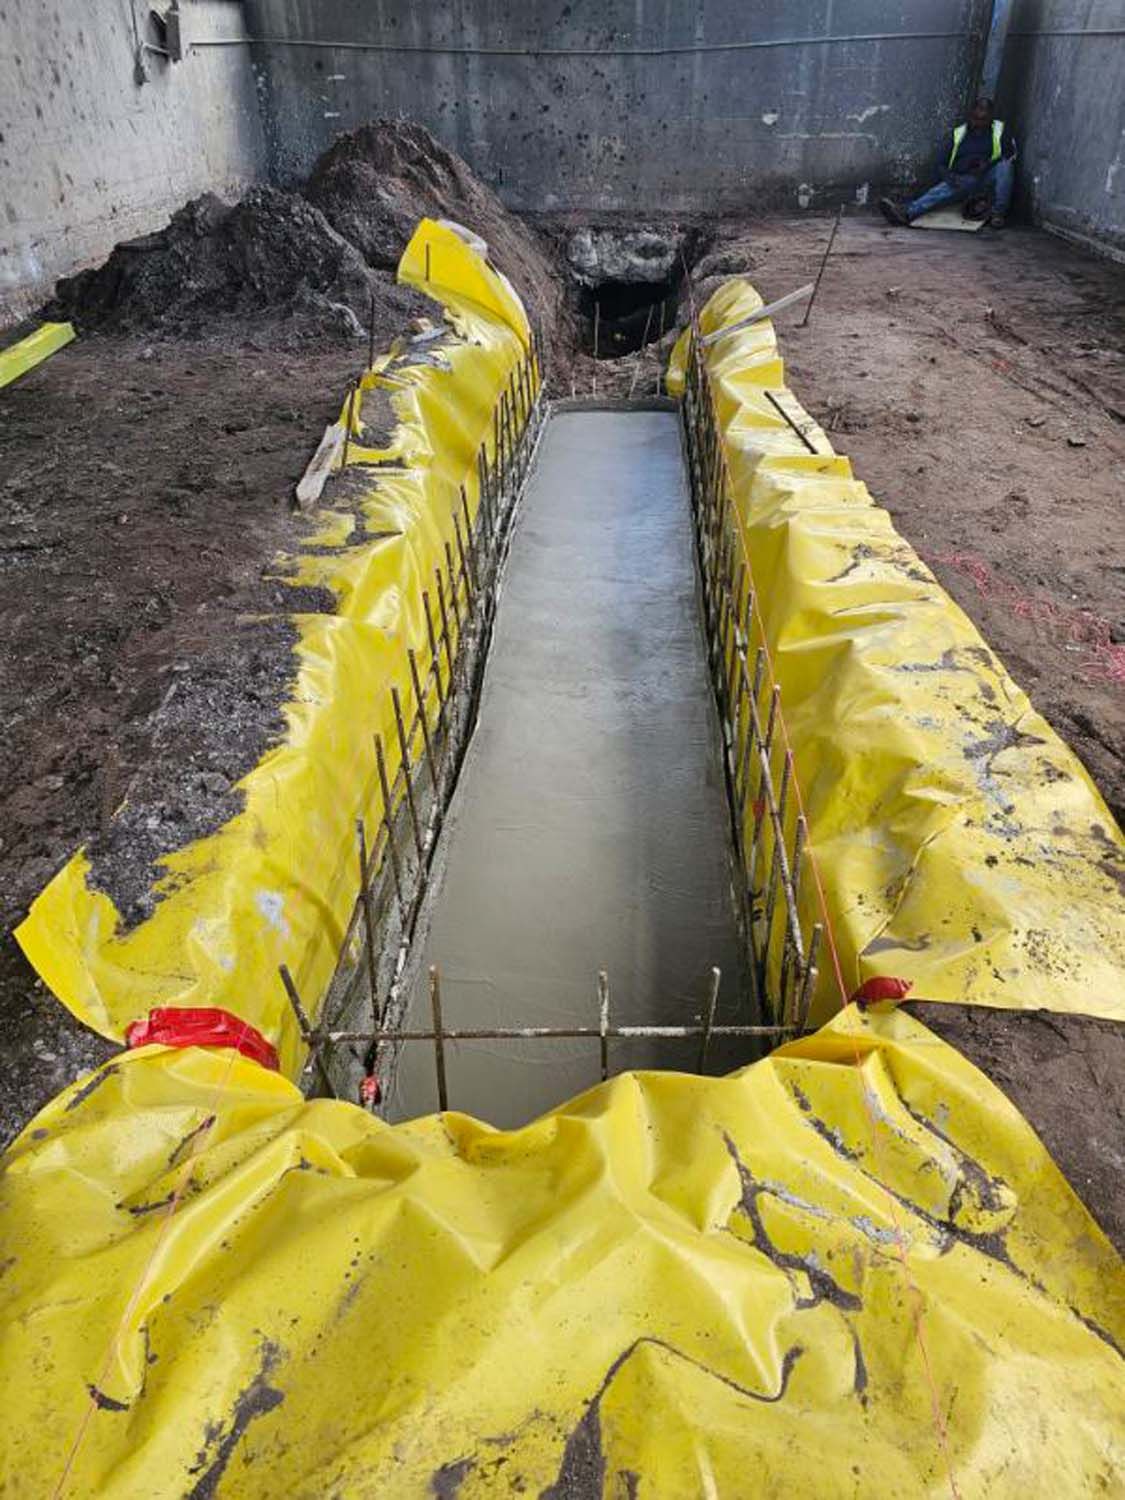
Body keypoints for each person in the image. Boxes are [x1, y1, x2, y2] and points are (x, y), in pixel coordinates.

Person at [880, 97, 1016, 229]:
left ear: (990, 118)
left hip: (987, 178)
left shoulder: (1000, 130)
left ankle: (997, 215)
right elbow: (941, 163)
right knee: (942, 190)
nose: (978, 123)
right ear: (970, 115)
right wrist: (951, 177)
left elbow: (1010, 154)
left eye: (983, 119)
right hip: (964, 178)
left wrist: (988, 164)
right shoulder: (959, 133)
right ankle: (907, 212)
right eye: (975, 118)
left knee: (1005, 167)